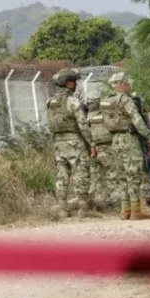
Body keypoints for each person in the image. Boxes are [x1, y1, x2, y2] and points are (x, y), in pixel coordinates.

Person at [98, 73, 150, 220]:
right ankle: (136, 211)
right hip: (129, 138)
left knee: (121, 176)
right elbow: (137, 120)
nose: (129, 87)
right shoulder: (125, 100)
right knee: (133, 174)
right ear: (122, 84)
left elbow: (105, 123)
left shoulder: (105, 101)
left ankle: (125, 210)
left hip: (115, 140)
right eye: (128, 84)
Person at [46, 68, 94, 218]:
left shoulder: (50, 101)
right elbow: (83, 124)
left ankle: (62, 208)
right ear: (67, 83)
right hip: (75, 141)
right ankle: (82, 208)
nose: (75, 85)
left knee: (62, 176)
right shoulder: (73, 101)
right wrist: (91, 143)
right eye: (73, 82)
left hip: (58, 142)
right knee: (81, 173)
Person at [81, 80, 106, 211]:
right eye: (89, 101)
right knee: (94, 176)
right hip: (89, 149)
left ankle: (109, 201)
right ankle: (94, 201)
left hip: (104, 147)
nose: (90, 103)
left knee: (110, 175)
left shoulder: (104, 113)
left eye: (93, 101)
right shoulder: (83, 114)